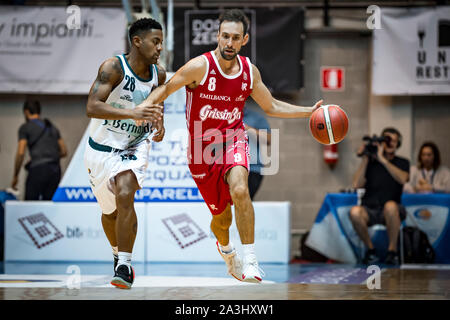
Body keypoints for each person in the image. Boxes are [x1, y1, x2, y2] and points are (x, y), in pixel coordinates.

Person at [137, 9, 322, 283]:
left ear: (244, 39)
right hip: (201, 150)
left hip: (234, 140)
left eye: (235, 38)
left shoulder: (249, 72)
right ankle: (226, 249)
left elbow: (271, 105)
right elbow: (165, 89)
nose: (229, 43)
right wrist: (144, 108)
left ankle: (251, 261)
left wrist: (308, 112)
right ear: (217, 36)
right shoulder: (200, 66)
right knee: (221, 221)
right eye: (225, 36)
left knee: (239, 189)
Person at [84, 18, 165, 289]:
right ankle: (117, 253)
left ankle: (125, 266)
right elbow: (92, 106)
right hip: (101, 146)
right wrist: (132, 112)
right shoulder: (113, 67)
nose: (160, 48)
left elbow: (157, 104)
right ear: (137, 41)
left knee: (126, 191)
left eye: (161, 42)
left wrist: (158, 122)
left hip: (134, 144)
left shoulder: (159, 74)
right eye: (155, 42)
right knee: (109, 212)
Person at [350, 127, 410, 265]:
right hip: (370, 208)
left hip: (392, 210)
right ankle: (371, 250)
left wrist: (383, 160)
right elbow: (356, 184)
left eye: (394, 141)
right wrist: (365, 159)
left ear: (398, 144)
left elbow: (403, 179)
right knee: (355, 212)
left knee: (390, 206)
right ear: (381, 142)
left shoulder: (403, 162)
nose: (390, 144)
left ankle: (392, 251)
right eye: (387, 140)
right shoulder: (370, 163)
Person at [11, 100, 67, 200]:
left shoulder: (25, 128)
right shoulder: (52, 127)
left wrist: (15, 175)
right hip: (55, 170)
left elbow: (20, 153)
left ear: (26, 112)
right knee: (49, 204)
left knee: (30, 205)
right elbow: (64, 151)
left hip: (37, 170)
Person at [243, 106, 271, 199]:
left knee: (245, 201)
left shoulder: (256, 117)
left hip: (253, 169)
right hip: (227, 167)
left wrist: (247, 129)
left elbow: (268, 139)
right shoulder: (222, 116)